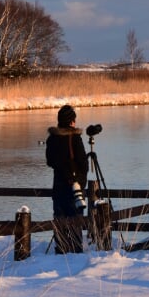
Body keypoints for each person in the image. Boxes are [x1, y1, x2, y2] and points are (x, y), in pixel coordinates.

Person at [45, 104, 89, 253]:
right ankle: (76, 250)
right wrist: (81, 181)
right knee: (76, 220)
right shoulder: (74, 138)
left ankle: (61, 249)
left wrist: (62, 167)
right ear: (71, 122)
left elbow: (50, 161)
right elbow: (83, 163)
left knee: (60, 219)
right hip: (74, 187)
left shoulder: (52, 139)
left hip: (58, 187)